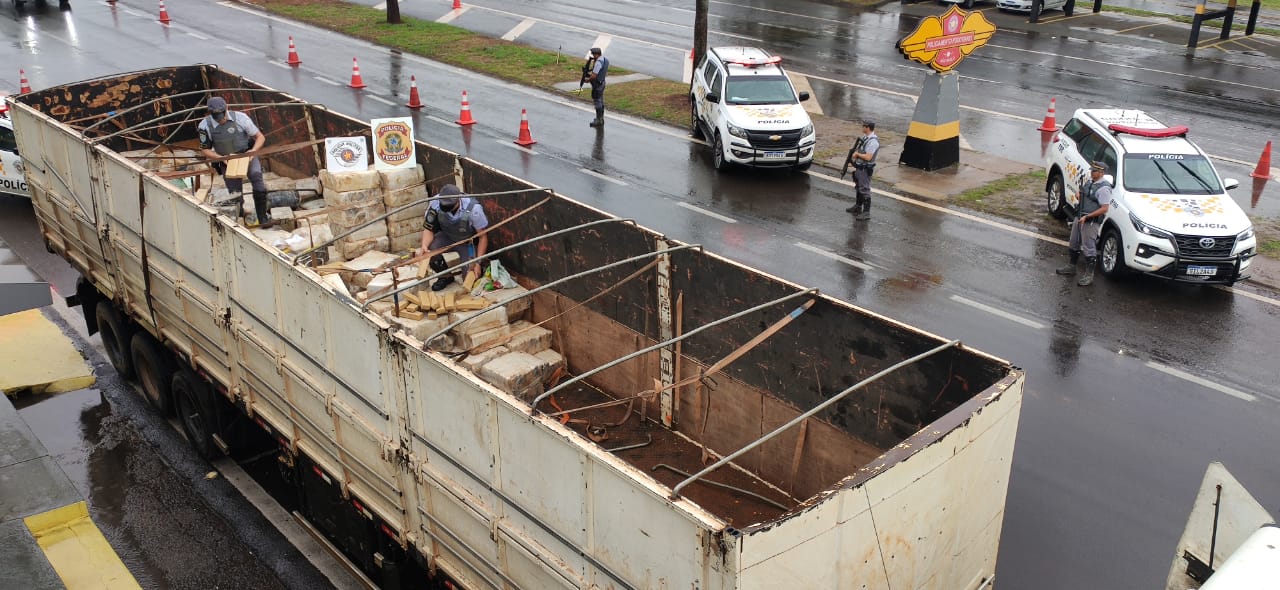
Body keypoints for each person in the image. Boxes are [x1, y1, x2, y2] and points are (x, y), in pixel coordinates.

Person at [198, 97, 270, 225]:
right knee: (235, 193)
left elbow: (260, 137)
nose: (221, 120)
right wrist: (221, 158)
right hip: (226, 160)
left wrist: (252, 151)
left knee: (256, 176)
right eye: (217, 118)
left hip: (246, 155)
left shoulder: (241, 118)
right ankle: (241, 218)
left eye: (222, 116)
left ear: (226, 109)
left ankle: (262, 217)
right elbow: (205, 150)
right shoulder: (204, 126)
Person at [418, 184, 490, 291]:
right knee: (430, 251)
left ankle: (479, 268)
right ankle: (445, 277)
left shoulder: (474, 209)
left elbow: (483, 237)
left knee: (469, 279)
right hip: (446, 236)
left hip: (466, 243)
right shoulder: (435, 202)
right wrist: (424, 246)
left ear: (458, 200)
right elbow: (429, 229)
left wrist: (478, 263)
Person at [1055, 160, 1113, 286]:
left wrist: (1088, 216)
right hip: (1079, 216)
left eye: (1095, 171)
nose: (1092, 172)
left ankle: (1089, 275)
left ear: (1101, 172)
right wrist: (1078, 195)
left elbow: (1104, 208)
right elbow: (1083, 195)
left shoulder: (1104, 189)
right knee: (1074, 242)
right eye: (1092, 170)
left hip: (1090, 221)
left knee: (1088, 247)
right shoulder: (1089, 181)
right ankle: (1071, 266)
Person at [844, 120, 880, 220]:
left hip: (865, 169)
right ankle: (858, 206)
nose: (862, 127)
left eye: (863, 126)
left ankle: (866, 212)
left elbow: (868, 157)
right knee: (859, 187)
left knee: (865, 189)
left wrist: (857, 155)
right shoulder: (865, 138)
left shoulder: (873, 142)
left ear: (868, 128)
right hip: (860, 167)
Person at [587, 47, 609, 128]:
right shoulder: (605, 60)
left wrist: (587, 80)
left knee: (597, 101)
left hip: (597, 84)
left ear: (597, 54)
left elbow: (594, 75)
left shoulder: (598, 63)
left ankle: (598, 120)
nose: (592, 55)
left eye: (593, 54)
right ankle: (601, 118)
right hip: (602, 82)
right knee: (601, 100)